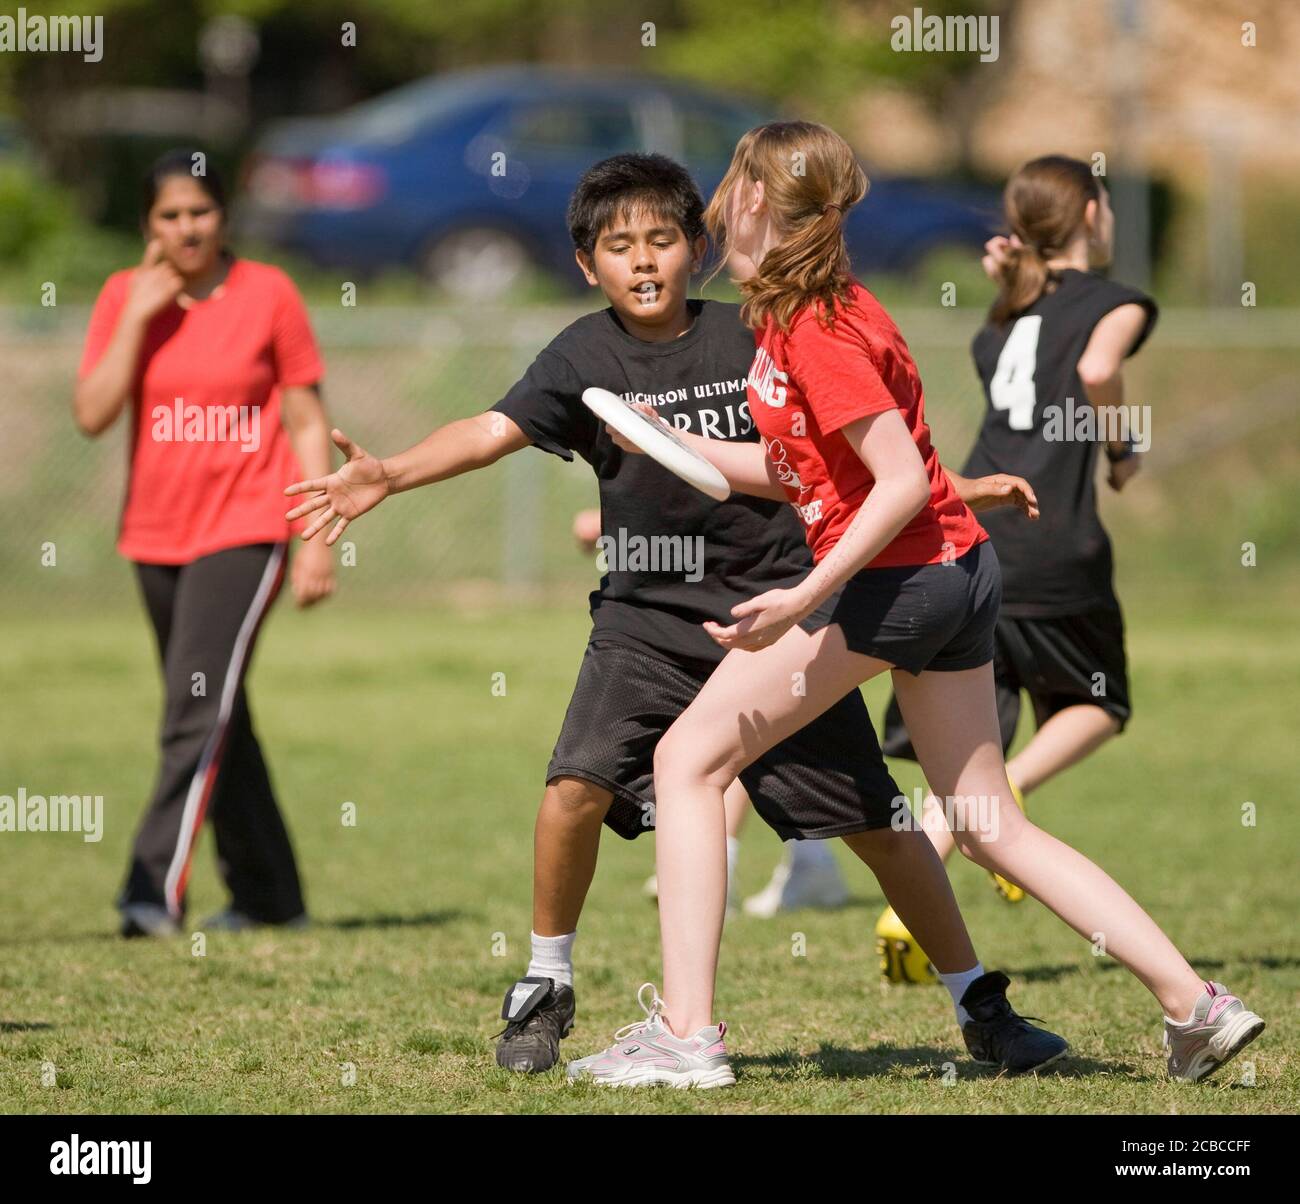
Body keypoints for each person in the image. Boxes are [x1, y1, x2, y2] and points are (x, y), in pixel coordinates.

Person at [285, 152, 1061, 1076]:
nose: (643, 261)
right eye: (619, 247)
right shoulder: (581, 355)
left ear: (699, 247)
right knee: (574, 787)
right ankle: (545, 983)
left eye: (662, 239)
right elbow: (491, 431)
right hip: (643, 618)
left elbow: (858, 461)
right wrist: (393, 473)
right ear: (587, 263)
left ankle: (979, 1002)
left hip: (776, 618)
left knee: (880, 825)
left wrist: (963, 490)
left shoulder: (757, 335)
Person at [569, 123, 1265, 1088]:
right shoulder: (799, 312)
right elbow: (800, 466)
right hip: (955, 573)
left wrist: (803, 594)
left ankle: (686, 1038)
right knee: (989, 822)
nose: (718, 203)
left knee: (687, 759)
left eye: (732, 184)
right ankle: (1197, 1007)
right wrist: (667, 441)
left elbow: (896, 479)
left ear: (765, 205)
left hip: (896, 581)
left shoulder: (817, 323)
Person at [877, 156, 1158, 962]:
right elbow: (1100, 367)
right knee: (1100, 705)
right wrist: (1122, 444)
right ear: (1095, 214)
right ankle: (1018, 798)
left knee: (967, 750)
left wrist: (1009, 284)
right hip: (1054, 538)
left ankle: (908, 902)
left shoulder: (1005, 314)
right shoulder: (1114, 301)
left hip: (972, 535)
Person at [75, 149, 334, 937]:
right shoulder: (125, 295)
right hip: (155, 535)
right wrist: (139, 312)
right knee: (217, 708)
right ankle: (270, 897)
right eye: (169, 215)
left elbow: (306, 419)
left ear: (224, 215)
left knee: (193, 708)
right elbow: (91, 413)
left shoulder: (269, 293)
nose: (187, 228)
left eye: (201, 211)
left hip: (246, 527)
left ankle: (149, 892)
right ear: (148, 225)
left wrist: (316, 534)